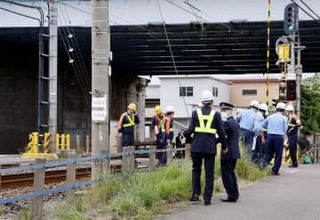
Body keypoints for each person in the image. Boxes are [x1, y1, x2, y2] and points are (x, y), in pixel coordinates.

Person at [184, 90, 227, 206]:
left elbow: (190, 130)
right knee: (209, 173)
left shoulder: (195, 113)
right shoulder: (216, 115)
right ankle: (207, 199)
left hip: (196, 147)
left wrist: (185, 134)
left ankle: (195, 194)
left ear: (202, 102)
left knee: (196, 170)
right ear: (212, 101)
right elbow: (222, 133)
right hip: (209, 148)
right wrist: (224, 146)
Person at [219, 102, 240, 203]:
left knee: (226, 174)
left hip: (228, 152)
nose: (222, 112)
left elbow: (222, 136)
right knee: (231, 173)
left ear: (229, 111)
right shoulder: (235, 122)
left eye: (224, 110)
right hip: (234, 152)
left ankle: (231, 195)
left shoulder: (227, 123)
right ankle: (234, 194)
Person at [261, 102, 288, 175]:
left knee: (268, 153)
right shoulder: (284, 118)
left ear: (277, 109)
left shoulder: (270, 117)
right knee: (278, 154)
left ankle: (262, 167)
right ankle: (275, 170)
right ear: (283, 110)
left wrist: (269, 128)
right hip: (278, 137)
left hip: (270, 136)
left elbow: (263, 125)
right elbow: (285, 129)